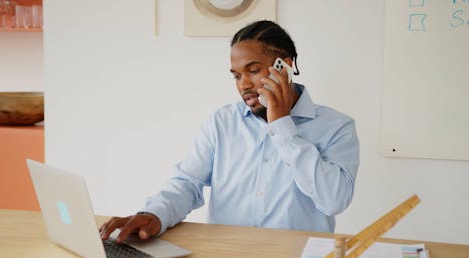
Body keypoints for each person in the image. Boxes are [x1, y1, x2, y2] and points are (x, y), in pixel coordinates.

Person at [100, 20, 359, 243]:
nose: (244, 84)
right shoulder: (222, 122)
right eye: (236, 75)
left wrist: (281, 124)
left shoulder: (336, 127)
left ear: (285, 67)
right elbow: (187, 183)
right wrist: (153, 215)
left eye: (253, 71)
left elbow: (333, 200)